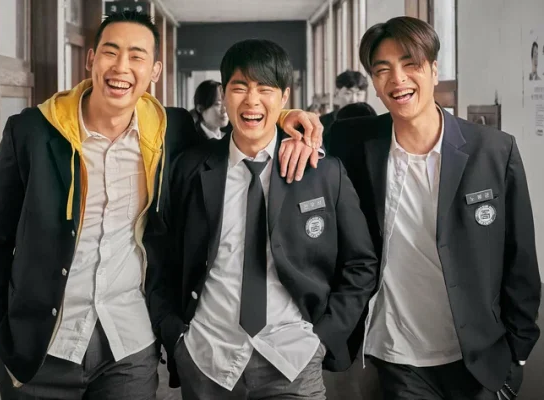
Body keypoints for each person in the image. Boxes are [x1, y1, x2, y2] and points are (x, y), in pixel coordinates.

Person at [0, 11, 324, 400]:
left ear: (155, 71)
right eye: (111, 52)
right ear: (91, 59)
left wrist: (287, 118)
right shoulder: (32, 131)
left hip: (129, 346)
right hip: (42, 346)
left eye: (137, 56)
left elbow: (241, 137)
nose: (121, 67)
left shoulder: (171, 131)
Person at [148, 39, 379, 400]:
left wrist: (323, 338)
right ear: (224, 95)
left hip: (294, 359)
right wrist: (175, 334)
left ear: (285, 96)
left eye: (265, 89)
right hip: (207, 357)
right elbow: (159, 255)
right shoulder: (189, 169)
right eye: (239, 87)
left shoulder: (322, 172)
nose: (252, 101)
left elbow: (361, 264)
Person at [328, 16, 541, 400]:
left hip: (479, 356)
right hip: (397, 357)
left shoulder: (493, 150)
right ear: (373, 82)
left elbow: (520, 256)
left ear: (433, 69)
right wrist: (291, 121)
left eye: (410, 64)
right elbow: (285, 139)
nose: (398, 79)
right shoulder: (353, 144)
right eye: (383, 70)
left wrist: (519, 351)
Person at [320, 70, 368, 147]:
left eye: (359, 94)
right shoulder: (322, 123)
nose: (354, 99)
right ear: (337, 92)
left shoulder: (371, 122)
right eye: (348, 93)